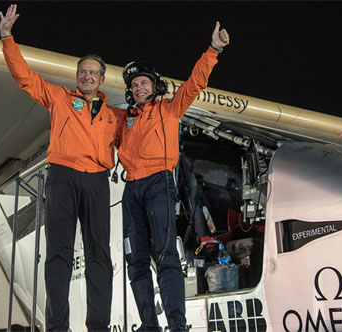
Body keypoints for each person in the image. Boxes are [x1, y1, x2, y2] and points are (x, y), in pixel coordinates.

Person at [0, 4, 120, 332]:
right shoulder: (60, 98)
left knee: (99, 258)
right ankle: (57, 327)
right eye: (82, 72)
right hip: (63, 179)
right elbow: (25, 78)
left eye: (93, 72)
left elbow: (141, 140)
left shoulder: (115, 116)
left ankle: (98, 326)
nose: (87, 76)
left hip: (97, 181)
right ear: (77, 76)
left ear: (101, 79)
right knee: (58, 257)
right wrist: (7, 37)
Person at [117, 22, 230, 331]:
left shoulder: (170, 109)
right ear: (130, 91)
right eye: (134, 85)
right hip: (131, 191)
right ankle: (149, 325)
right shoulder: (122, 120)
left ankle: (177, 326)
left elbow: (194, 83)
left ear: (155, 86)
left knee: (166, 255)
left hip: (158, 184)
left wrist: (213, 50)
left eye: (144, 83)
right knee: (136, 262)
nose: (139, 87)